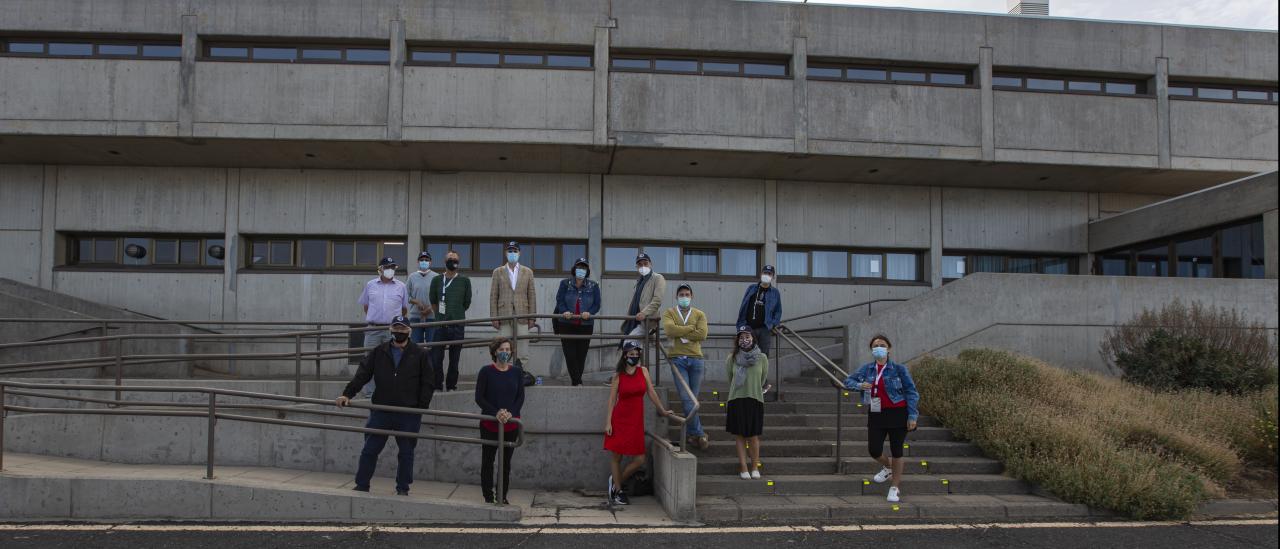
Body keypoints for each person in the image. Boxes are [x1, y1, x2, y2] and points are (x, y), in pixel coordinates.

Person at [335, 316, 435, 496]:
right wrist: (347, 394)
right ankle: (362, 484)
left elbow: (428, 382)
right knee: (370, 449)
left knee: (406, 453)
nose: (399, 332)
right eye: (396, 328)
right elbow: (362, 374)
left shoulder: (420, 354)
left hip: (407, 413)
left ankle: (403, 488)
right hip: (381, 410)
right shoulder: (379, 351)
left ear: (409, 331)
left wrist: (420, 407)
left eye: (403, 329)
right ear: (390, 329)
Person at [843, 335, 920, 504]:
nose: (879, 347)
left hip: (898, 413)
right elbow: (847, 381)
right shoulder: (868, 369)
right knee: (874, 449)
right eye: (875, 345)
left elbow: (911, 392)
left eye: (882, 345)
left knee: (897, 449)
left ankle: (894, 487)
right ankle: (888, 467)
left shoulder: (899, 369)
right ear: (872, 350)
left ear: (889, 348)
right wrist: (859, 385)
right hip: (876, 413)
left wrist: (912, 416)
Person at [604, 341, 675, 505]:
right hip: (620, 419)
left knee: (639, 460)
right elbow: (612, 399)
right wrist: (608, 422)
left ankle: (616, 482)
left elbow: (651, 392)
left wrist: (662, 410)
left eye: (637, 354)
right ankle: (618, 491)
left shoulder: (643, 371)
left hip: (636, 421)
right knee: (617, 457)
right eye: (631, 354)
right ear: (625, 355)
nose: (634, 357)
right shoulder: (618, 375)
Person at [475, 337, 525, 504]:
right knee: (488, 461)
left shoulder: (517, 372)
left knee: (506, 464)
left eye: (507, 350)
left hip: (511, 425)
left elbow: (520, 397)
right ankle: (488, 496)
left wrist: (510, 413)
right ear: (495, 351)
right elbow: (479, 398)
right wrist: (496, 413)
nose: (505, 353)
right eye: (502, 350)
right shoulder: (486, 371)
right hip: (490, 423)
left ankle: (502, 496)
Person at [661, 283, 709, 449]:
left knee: (691, 400)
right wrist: (690, 329)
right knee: (687, 399)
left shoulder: (699, 313)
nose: (684, 297)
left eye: (687, 294)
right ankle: (699, 434)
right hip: (677, 359)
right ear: (676, 296)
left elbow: (702, 334)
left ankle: (691, 434)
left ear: (692, 296)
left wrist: (680, 330)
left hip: (696, 359)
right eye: (681, 294)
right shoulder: (669, 312)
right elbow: (668, 330)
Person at [357, 257, 410, 397]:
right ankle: (370, 394)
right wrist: (377, 319)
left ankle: (391, 393)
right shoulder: (370, 285)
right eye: (387, 267)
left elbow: (404, 309)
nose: (390, 270)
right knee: (369, 361)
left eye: (392, 267)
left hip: (392, 330)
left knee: (394, 361)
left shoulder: (401, 286)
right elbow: (366, 306)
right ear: (380, 269)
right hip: (373, 328)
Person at [725, 325, 768, 480]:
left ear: (753, 338)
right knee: (740, 436)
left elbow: (762, 378)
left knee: (753, 436)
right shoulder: (732, 358)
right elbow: (731, 379)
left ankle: (755, 466)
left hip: (755, 398)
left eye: (747, 337)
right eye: (741, 337)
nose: (744, 340)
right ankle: (743, 467)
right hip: (737, 399)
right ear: (737, 340)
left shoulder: (762, 358)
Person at [553, 257, 601, 386]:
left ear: (587, 270)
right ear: (574, 269)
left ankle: (576, 381)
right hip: (566, 324)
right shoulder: (565, 283)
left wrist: (590, 312)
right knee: (570, 355)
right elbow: (560, 300)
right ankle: (577, 381)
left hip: (585, 325)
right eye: (579, 267)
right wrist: (564, 311)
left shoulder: (593, 285)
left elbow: (597, 304)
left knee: (581, 354)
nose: (581, 270)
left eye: (584, 268)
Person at [429, 249, 472, 392]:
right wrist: (440, 316)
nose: (452, 261)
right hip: (440, 325)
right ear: (444, 261)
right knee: (436, 358)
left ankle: (451, 385)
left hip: (457, 325)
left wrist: (456, 313)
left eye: (455, 260)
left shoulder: (465, 281)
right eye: (450, 259)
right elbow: (433, 301)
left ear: (459, 263)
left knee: (454, 359)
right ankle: (437, 385)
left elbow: (466, 302)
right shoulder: (436, 280)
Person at [490, 241, 537, 367]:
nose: (512, 253)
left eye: (515, 251)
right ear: (506, 253)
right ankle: (505, 370)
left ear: (519, 253)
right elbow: (494, 296)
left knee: (522, 348)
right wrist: (494, 318)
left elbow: (531, 295)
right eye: (510, 251)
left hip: (523, 315)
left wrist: (532, 317)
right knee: (503, 347)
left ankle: (520, 371)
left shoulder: (528, 272)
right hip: (503, 315)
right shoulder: (497, 272)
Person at [620, 253, 666, 346]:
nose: (643, 266)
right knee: (633, 348)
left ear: (651, 264)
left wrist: (644, 313)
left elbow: (657, 300)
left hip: (646, 320)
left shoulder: (658, 278)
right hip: (634, 320)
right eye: (640, 265)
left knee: (628, 344)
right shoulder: (639, 281)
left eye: (645, 263)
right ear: (636, 267)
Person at [736, 264, 781, 355]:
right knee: (747, 353)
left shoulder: (775, 292)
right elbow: (743, 306)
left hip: (765, 329)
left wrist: (772, 324)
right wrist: (741, 324)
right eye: (765, 273)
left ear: (773, 277)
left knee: (763, 355)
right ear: (761, 274)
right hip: (749, 328)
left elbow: (778, 311)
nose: (767, 275)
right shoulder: (751, 288)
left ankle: (763, 370)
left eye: (769, 274)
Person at [406, 251, 439, 347]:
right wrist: (415, 301)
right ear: (418, 262)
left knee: (432, 346)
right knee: (415, 346)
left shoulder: (436, 277)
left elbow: (440, 297)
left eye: (426, 260)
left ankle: (430, 362)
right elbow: (405, 295)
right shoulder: (412, 277)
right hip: (416, 317)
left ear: (430, 262)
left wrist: (430, 308)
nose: (424, 261)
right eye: (421, 260)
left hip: (432, 317)